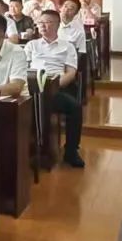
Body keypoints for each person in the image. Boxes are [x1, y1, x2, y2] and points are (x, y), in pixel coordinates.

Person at [25, 10, 84, 167]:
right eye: (40, 22)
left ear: (57, 25)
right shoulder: (32, 45)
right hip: (33, 88)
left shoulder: (68, 47)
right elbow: (24, 68)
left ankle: (71, 151)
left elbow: (71, 73)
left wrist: (54, 86)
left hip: (56, 88)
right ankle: (33, 148)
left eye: (47, 22)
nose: (43, 26)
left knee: (75, 108)